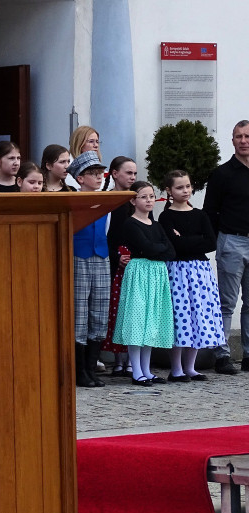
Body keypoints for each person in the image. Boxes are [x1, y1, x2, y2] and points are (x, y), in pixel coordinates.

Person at [159, 171, 224, 382]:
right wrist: (195, 240)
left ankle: (190, 367)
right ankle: (176, 368)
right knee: (180, 317)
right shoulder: (166, 216)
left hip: (199, 272)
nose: (185, 191)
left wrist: (186, 239)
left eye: (187, 186)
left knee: (197, 315)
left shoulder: (200, 215)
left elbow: (211, 242)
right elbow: (174, 245)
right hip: (177, 270)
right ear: (169, 190)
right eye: (179, 187)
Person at [112, 182, 176, 386]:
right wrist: (158, 249)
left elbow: (171, 251)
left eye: (151, 196)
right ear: (133, 200)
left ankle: (146, 370)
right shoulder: (130, 224)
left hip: (156, 275)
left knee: (151, 322)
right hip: (140, 273)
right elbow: (146, 247)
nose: (149, 200)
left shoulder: (156, 225)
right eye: (144, 197)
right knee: (137, 320)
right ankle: (136, 371)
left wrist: (157, 249)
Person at [203, 120, 249, 375]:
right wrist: (217, 240)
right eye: (238, 136)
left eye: (247, 136)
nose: (243, 141)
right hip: (232, 241)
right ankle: (222, 355)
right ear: (232, 140)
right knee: (227, 302)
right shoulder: (222, 174)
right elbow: (210, 211)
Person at [68, 151, 110, 388]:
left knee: (100, 310)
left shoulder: (106, 203)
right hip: (79, 257)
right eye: (93, 173)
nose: (98, 177)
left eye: (100, 173)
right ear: (80, 178)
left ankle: (91, 367)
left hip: (101, 257)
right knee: (80, 312)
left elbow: (106, 230)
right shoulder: (73, 201)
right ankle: (80, 370)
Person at [103, 156, 138, 378]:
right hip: (113, 264)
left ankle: (132, 360)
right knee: (115, 311)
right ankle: (118, 360)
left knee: (132, 311)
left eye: (135, 174)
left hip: (135, 263)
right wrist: (117, 256)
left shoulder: (136, 199)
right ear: (115, 174)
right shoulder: (108, 201)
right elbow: (106, 235)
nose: (132, 177)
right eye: (128, 173)